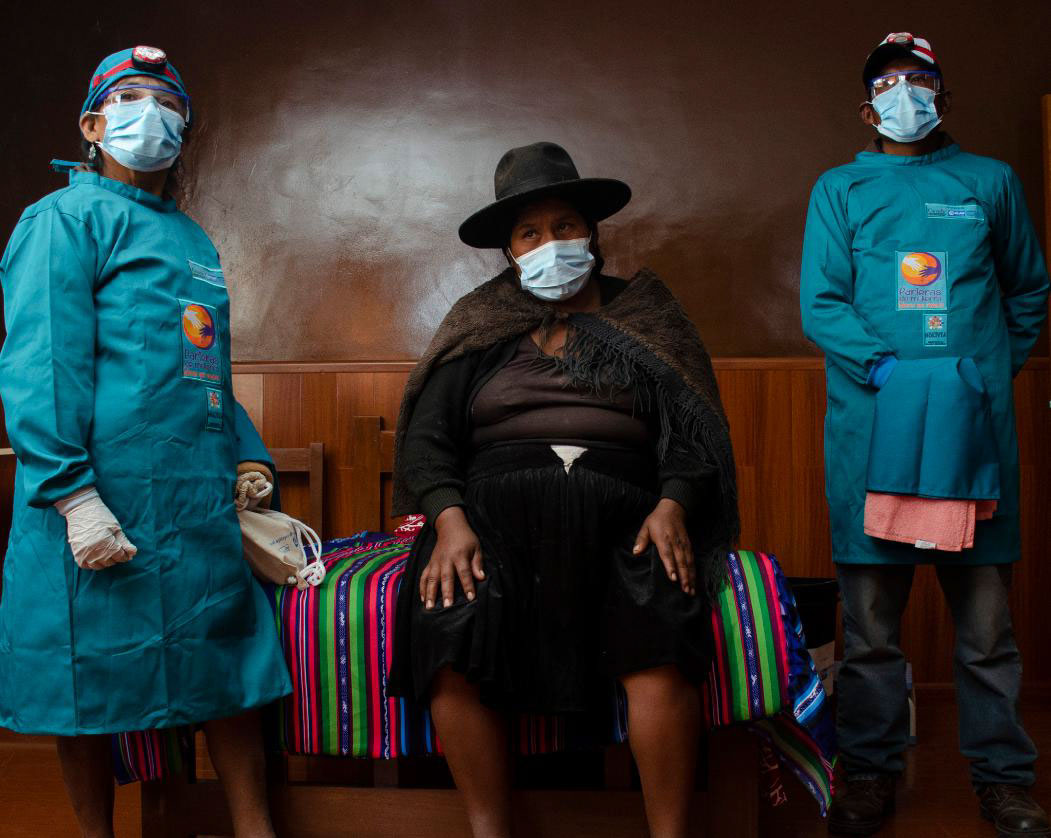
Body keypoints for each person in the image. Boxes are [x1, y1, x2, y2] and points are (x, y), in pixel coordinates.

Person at [389, 141, 739, 838]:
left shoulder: (647, 316)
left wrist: (672, 504)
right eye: (530, 233)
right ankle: (490, 828)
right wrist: (450, 522)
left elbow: (693, 432)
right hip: (489, 513)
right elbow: (426, 441)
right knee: (448, 615)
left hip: (629, 511)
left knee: (660, 619)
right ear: (509, 251)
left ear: (593, 233)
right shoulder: (477, 324)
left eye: (565, 226)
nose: (551, 243)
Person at [0, 47, 291, 838]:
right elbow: (42, 362)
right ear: (93, 125)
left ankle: (254, 828)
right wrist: (73, 494)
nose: (148, 114)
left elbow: (204, 370)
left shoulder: (193, 240)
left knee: (224, 664)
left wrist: (249, 454)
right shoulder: (62, 221)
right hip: (100, 498)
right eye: (127, 98)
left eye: (166, 103)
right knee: (84, 682)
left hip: (193, 495)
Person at [800, 33, 1049, 837]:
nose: (905, 90)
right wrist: (884, 370)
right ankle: (869, 776)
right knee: (870, 632)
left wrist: (980, 376)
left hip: (971, 438)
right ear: (866, 103)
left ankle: (1003, 782)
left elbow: (1027, 290)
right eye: (889, 79)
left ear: (942, 94)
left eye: (921, 78)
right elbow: (822, 301)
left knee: (984, 632)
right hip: (871, 432)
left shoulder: (990, 181)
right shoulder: (839, 187)